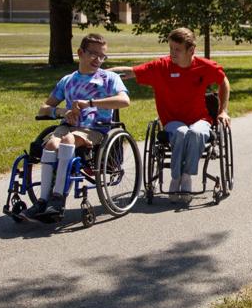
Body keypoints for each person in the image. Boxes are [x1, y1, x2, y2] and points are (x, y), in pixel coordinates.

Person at [24, 33, 130, 223]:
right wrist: (62, 111)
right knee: (51, 144)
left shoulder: (109, 78)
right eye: (93, 54)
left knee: (68, 140)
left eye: (102, 56)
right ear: (80, 53)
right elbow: (44, 108)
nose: (98, 60)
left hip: (95, 128)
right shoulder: (68, 80)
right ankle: (42, 201)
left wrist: (90, 103)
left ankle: (58, 199)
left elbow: (124, 101)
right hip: (68, 126)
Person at [113, 27, 231, 197]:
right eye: (171, 48)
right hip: (172, 120)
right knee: (182, 132)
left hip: (200, 119)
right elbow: (130, 72)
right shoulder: (162, 66)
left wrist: (223, 111)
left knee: (196, 133)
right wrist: (100, 73)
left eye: (177, 49)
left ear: (191, 50)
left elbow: (223, 81)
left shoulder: (204, 66)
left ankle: (186, 176)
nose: (172, 53)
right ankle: (176, 178)